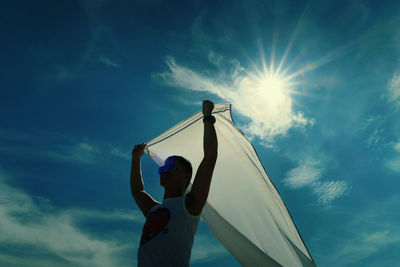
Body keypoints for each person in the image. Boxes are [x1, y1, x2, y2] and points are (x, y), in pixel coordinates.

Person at [130, 100, 218, 267]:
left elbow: (210, 156)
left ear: (186, 176)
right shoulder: (153, 209)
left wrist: (207, 117)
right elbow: (137, 190)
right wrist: (135, 160)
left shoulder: (190, 204)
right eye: (164, 166)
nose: (164, 170)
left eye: (171, 167)